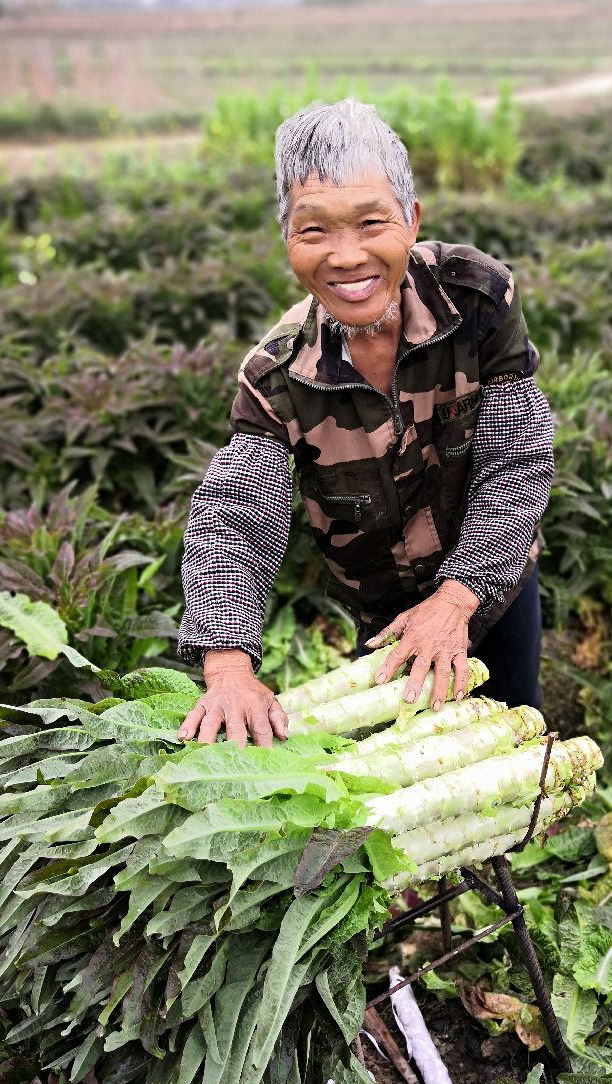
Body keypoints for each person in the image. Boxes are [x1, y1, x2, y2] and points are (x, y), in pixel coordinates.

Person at [177, 99, 554, 748]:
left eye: (371, 222)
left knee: (518, 730)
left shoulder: (477, 299)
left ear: (411, 219)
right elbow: (235, 521)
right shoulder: (277, 376)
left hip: (493, 582)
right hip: (381, 609)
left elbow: (515, 461)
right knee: (409, 764)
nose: (346, 257)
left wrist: (457, 600)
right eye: (314, 230)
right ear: (287, 239)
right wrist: (228, 663)